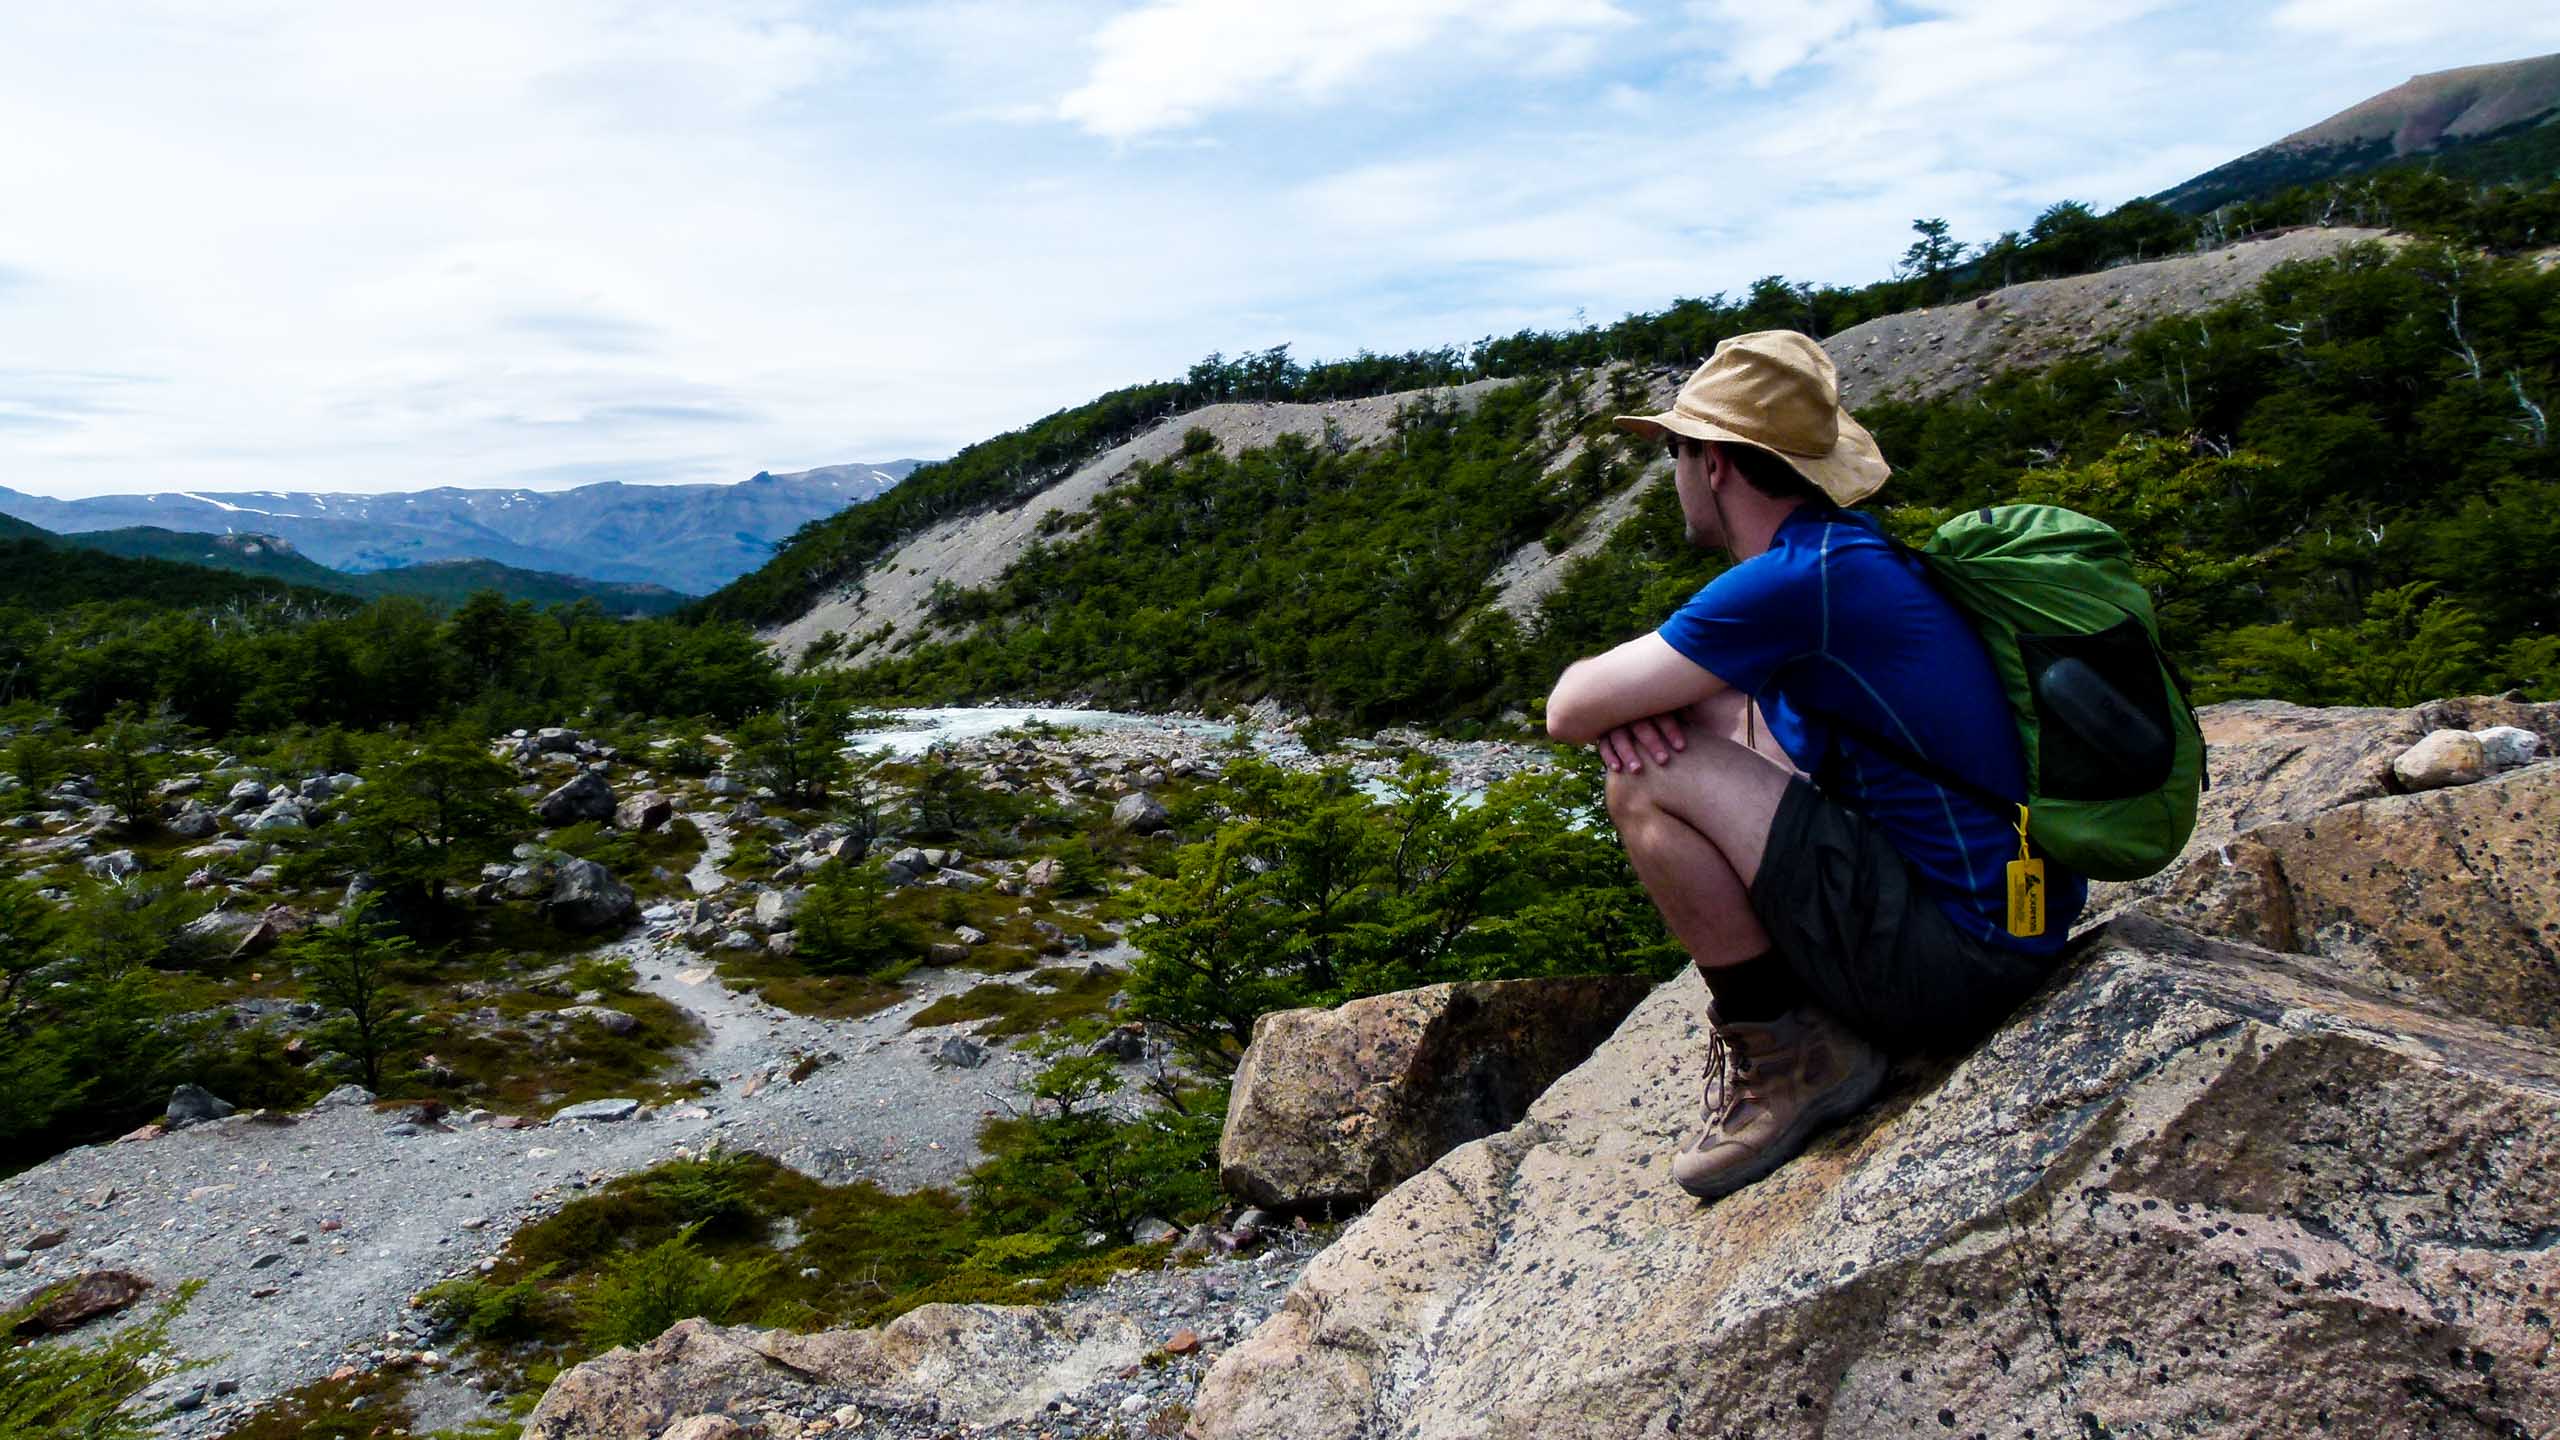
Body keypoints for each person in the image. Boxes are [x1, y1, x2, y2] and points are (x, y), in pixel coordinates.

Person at [1544, 330, 2085, 1200]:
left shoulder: (1796, 580)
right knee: (1706, 708)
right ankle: (1809, 1019)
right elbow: (1737, 716)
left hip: (1961, 965)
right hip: (2012, 920)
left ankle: (1794, 1057)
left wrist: (1626, 721)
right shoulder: (1847, 554)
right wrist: (1648, 709)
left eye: (1677, 451)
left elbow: (1568, 707)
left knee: (1644, 776)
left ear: (1715, 463)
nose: (1674, 472)